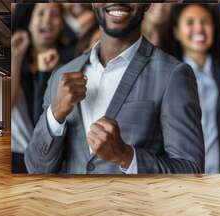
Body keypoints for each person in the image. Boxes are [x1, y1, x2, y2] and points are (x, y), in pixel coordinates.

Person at [25, 3, 205, 174]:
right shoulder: (61, 75)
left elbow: (191, 170)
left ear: (147, 4)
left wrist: (126, 156)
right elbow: (36, 168)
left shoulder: (174, 74)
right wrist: (55, 114)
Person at [11, 3, 74, 173]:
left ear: (61, 24)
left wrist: (46, 74)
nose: (47, 19)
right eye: (40, 13)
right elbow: (8, 102)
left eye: (54, 14)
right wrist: (16, 57)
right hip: (17, 156)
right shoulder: (19, 58)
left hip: (51, 155)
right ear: (30, 22)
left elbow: (47, 118)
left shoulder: (69, 61)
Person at [169, 4, 220, 173]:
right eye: (190, 22)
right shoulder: (166, 75)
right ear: (177, 32)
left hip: (217, 172)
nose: (199, 28)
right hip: (182, 173)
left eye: (204, 22)